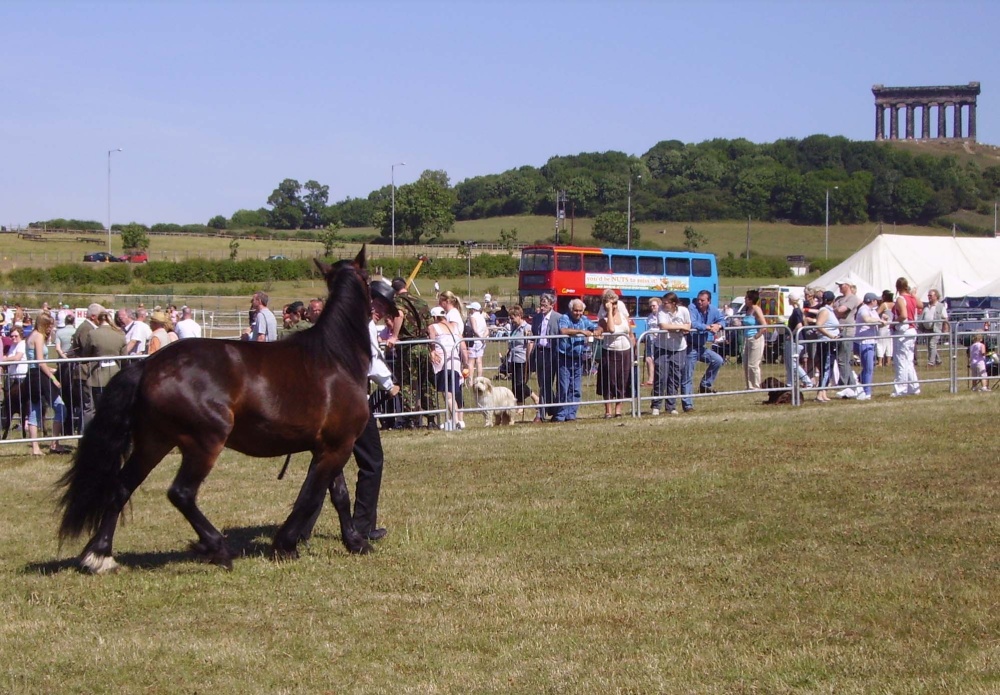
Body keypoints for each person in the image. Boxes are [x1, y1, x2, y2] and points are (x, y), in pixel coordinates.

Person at [388, 277, 436, 429]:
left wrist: (394, 336)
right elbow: (431, 328)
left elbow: (399, 315)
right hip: (424, 345)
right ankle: (431, 418)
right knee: (427, 382)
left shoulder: (398, 301)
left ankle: (412, 419)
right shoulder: (421, 301)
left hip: (408, 346)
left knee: (408, 383)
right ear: (405, 286)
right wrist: (433, 348)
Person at [24, 312, 68, 455]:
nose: (51, 328)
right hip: (39, 377)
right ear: (43, 324)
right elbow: (40, 362)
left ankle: (37, 447)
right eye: (49, 325)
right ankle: (53, 444)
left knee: (34, 410)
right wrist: (53, 378)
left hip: (33, 375)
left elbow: (36, 363)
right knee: (60, 407)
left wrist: (51, 369)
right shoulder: (38, 336)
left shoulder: (31, 336)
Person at [556, 298, 598, 421]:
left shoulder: (584, 319)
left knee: (576, 388)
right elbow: (563, 330)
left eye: (580, 311)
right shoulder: (564, 318)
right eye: (576, 310)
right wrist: (581, 331)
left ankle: (571, 415)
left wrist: (597, 331)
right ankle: (561, 415)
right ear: (571, 310)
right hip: (564, 358)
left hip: (578, 359)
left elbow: (596, 327)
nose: (578, 313)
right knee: (564, 388)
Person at [78, 309, 127, 416]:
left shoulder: (93, 334)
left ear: (99, 320)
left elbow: (86, 355)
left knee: (95, 409)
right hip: (115, 375)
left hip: (97, 376)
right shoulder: (120, 334)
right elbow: (124, 358)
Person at [428, 306, 469, 429]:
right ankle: (456, 420)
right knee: (452, 392)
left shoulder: (433, 327)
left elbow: (432, 344)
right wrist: (466, 363)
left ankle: (455, 422)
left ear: (435, 317)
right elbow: (463, 347)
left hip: (442, 362)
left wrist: (432, 352)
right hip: (455, 362)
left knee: (448, 395)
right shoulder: (455, 327)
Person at [596, 289, 634, 418]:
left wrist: (633, 347)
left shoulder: (623, 316)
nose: (615, 306)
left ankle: (618, 410)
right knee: (609, 381)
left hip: (625, 352)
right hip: (610, 352)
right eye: (612, 303)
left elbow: (630, 333)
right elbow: (611, 329)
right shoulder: (604, 319)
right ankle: (608, 410)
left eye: (616, 303)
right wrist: (609, 312)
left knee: (622, 380)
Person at [653, 292, 691, 416]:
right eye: (663, 302)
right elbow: (663, 326)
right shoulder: (661, 311)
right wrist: (680, 327)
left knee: (675, 377)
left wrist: (679, 327)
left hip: (679, 348)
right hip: (662, 347)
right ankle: (656, 405)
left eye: (666, 303)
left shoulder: (684, 311)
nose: (664, 305)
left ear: (674, 303)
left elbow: (688, 326)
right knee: (661, 377)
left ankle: (671, 406)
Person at [527, 293, 562, 422]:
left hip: (552, 354)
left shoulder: (558, 318)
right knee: (543, 384)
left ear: (552, 305)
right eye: (541, 305)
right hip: (540, 353)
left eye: (545, 305)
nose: (542, 307)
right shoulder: (537, 318)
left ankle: (541, 414)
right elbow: (533, 335)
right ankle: (552, 409)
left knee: (547, 384)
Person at [687, 290, 727, 397]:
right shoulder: (692, 307)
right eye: (698, 300)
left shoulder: (713, 309)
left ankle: (705, 385)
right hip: (689, 346)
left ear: (708, 301)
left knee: (718, 360)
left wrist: (718, 326)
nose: (699, 302)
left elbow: (723, 320)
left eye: (702, 300)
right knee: (688, 373)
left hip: (701, 347)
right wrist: (708, 327)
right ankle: (687, 395)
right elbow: (693, 323)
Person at [504, 305, 539, 415]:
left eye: (513, 317)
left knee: (520, 384)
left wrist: (528, 359)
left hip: (522, 359)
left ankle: (535, 397)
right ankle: (520, 406)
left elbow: (530, 344)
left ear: (519, 316)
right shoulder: (514, 328)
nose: (511, 320)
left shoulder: (527, 328)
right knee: (515, 385)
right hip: (513, 359)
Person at [891, 277, 922, 397]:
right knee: (908, 360)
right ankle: (914, 387)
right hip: (912, 330)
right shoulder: (911, 298)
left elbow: (903, 315)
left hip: (903, 330)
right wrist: (913, 294)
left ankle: (901, 389)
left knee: (901, 361)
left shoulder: (900, 298)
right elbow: (920, 304)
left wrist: (893, 322)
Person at [854, 292, 885, 401]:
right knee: (868, 368)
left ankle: (857, 381)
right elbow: (867, 319)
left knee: (869, 367)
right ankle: (867, 392)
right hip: (864, 342)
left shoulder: (873, 310)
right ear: (872, 301)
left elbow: (875, 322)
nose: (877, 302)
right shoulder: (863, 309)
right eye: (876, 300)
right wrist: (879, 320)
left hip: (872, 341)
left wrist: (882, 319)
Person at [832, 280, 861, 396]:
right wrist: (836, 310)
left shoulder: (852, 298)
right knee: (841, 359)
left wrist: (836, 310)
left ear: (848, 285)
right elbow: (835, 311)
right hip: (838, 331)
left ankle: (845, 385)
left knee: (843, 359)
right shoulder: (839, 298)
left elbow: (840, 310)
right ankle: (851, 385)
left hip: (847, 332)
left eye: (841, 285)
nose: (839, 287)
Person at [814, 290, 840, 402]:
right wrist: (830, 335)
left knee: (828, 368)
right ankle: (820, 393)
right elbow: (819, 325)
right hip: (826, 342)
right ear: (833, 300)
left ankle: (823, 392)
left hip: (831, 342)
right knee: (826, 368)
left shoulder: (829, 311)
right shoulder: (825, 311)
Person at [785, 291, 813, 389]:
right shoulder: (798, 311)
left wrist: (791, 334)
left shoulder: (796, 311)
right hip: (796, 340)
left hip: (795, 340)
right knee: (789, 363)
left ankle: (807, 381)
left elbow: (799, 325)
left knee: (793, 363)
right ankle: (790, 383)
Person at [742, 289, 768, 390]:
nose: (745, 299)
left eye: (746, 298)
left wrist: (757, 336)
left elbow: (764, 325)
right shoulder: (748, 309)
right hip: (746, 338)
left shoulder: (756, 309)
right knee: (746, 363)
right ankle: (749, 385)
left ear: (750, 299)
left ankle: (756, 386)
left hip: (755, 339)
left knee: (753, 364)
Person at [918, 289, 948, 367]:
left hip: (936, 329)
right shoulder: (926, 306)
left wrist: (945, 329)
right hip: (927, 330)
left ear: (936, 296)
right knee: (930, 346)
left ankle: (931, 363)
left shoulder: (941, 306)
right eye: (928, 295)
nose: (929, 297)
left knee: (932, 344)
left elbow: (945, 318)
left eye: (930, 295)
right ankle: (938, 360)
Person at [466, 301, 489, 380]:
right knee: (479, 362)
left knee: (471, 362)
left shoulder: (473, 317)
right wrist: (483, 338)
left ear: (473, 309)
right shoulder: (482, 317)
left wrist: (480, 337)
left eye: (470, 309)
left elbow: (475, 330)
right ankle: (479, 379)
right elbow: (487, 330)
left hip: (474, 341)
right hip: (481, 341)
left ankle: (471, 380)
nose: (469, 310)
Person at [642, 298, 662, 387]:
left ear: (659, 305)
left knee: (657, 360)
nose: (652, 307)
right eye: (651, 306)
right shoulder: (650, 316)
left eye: (654, 306)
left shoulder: (662, 315)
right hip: (650, 339)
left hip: (659, 340)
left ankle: (658, 378)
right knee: (648, 358)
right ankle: (650, 379)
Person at [876, 289, 895, 368]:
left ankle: (880, 362)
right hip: (891, 326)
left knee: (880, 344)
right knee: (889, 344)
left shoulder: (884, 304)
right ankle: (888, 361)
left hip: (883, 325)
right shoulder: (894, 304)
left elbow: (876, 313)